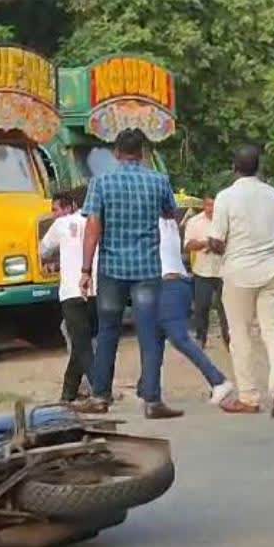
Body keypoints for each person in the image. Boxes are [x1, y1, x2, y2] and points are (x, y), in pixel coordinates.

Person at [78, 128, 182, 420]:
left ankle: (100, 396)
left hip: (111, 268)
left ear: (116, 152)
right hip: (147, 269)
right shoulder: (159, 181)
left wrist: (86, 269)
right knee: (149, 334)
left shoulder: (102, 182)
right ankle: (152, 400)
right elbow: (170, 214)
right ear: (143, 152)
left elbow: (93, 228)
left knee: (108, 331)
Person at [207, 145, 274, 418]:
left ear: (234, 168)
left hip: (238, 273)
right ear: (259, 167)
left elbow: (217, 241)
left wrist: (223, 247)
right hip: (271, 270)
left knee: (240, 334)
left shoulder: (226, 197)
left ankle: (249, 397)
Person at [143, 216, 236, 406]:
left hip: (169, 284)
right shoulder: (165, 222)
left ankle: (218, 380)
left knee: (178, 337)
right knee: (153, 339)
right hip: (170, 283)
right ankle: (148, 391)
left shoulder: (152, 222)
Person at [39, 186, 96, 404]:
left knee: (81, 345)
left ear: (71, 205)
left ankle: (99, 390)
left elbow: (43, 249)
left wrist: (56, 260)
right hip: (95, 290)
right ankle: (69, 392)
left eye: (56, 209)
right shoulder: (97, 223)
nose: (54, 214)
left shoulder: (61, 224)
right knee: (83, 342)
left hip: (72, 291)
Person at [183, 197, 230, 348]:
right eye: (209, 204)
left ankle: (229, 339)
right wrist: (206, 243)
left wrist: (216, 246)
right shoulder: (194, 222)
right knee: (201, 307)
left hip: (224, 270)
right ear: (204, 205)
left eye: (215, 205)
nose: (212, 208)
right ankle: (201, 338)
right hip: (202, 271)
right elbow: (188, 245)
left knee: (226, 308)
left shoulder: (226, 220)